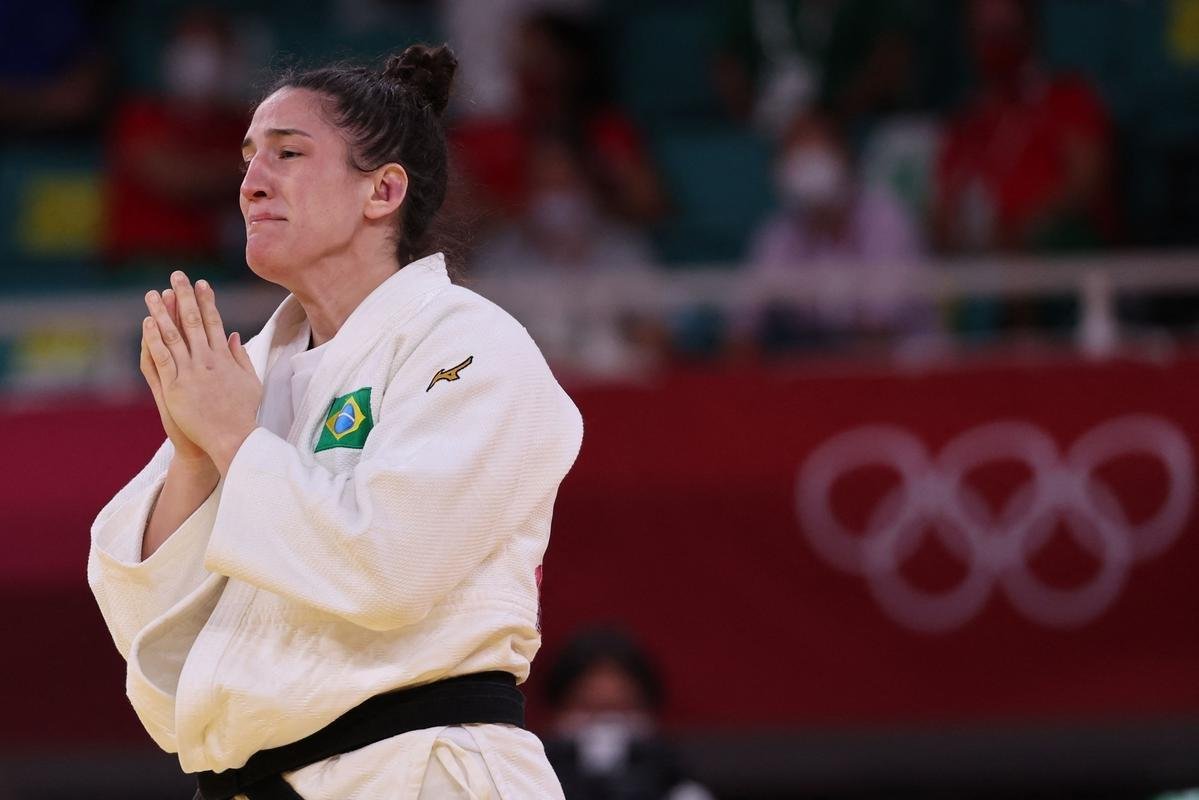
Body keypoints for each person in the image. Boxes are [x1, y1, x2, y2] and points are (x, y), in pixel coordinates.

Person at [86, 43, 583, 799]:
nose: (252, 182)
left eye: (287, 153)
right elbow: (141, 622)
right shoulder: (252, 370)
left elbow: (389, 566)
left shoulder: (470, 346)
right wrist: (192, 455)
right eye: (248, 157)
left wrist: (230, 439)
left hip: (417, 772)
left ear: (382, 191)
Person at [744, 113, 926, 352]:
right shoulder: (777, 234)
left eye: (815, 153)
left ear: (845, 156)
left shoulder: (886, 220)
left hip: (901, 370)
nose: (806, 167)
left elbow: (880, 332)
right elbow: (743, 331)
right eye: (795, 155)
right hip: (816, 370)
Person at [541, 627, 715, 800]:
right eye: (589, 708)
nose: (605, 725)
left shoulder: (682, 791)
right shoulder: (528, 787)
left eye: (620, 708)